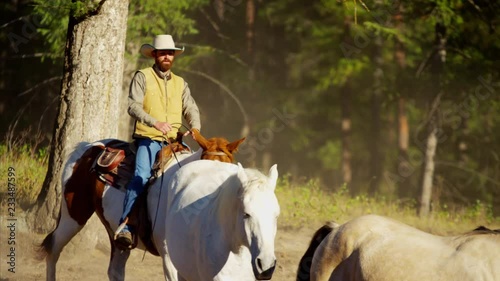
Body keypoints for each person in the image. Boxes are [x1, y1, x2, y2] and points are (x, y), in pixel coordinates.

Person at [115, 34, 201, 248]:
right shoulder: (142, 76)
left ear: (174, 56)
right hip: (149, 139)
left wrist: (196, 128)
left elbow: (190, 107)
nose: (166, 56)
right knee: (141, 176)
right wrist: (155, 123)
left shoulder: (181, 83)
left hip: (175, 141)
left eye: (170, 53)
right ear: (154, 54)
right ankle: (126, 226)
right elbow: (133, 106)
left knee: (192, 175)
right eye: (162, 52)